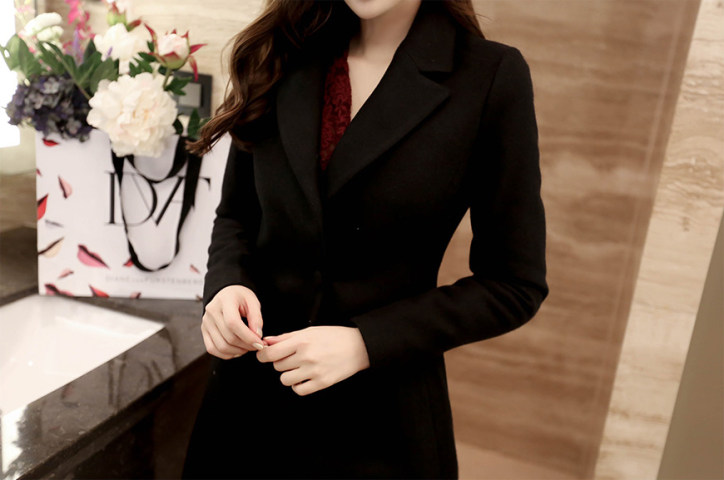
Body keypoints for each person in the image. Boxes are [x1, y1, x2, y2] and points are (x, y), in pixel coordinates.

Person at [181, 0, 548, 478]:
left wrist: (365, 343)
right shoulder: (280, 51)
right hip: (243, 415)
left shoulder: (489, 77)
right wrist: (226, 285)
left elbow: (513, 284)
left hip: (381, 428)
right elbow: (238, 215)